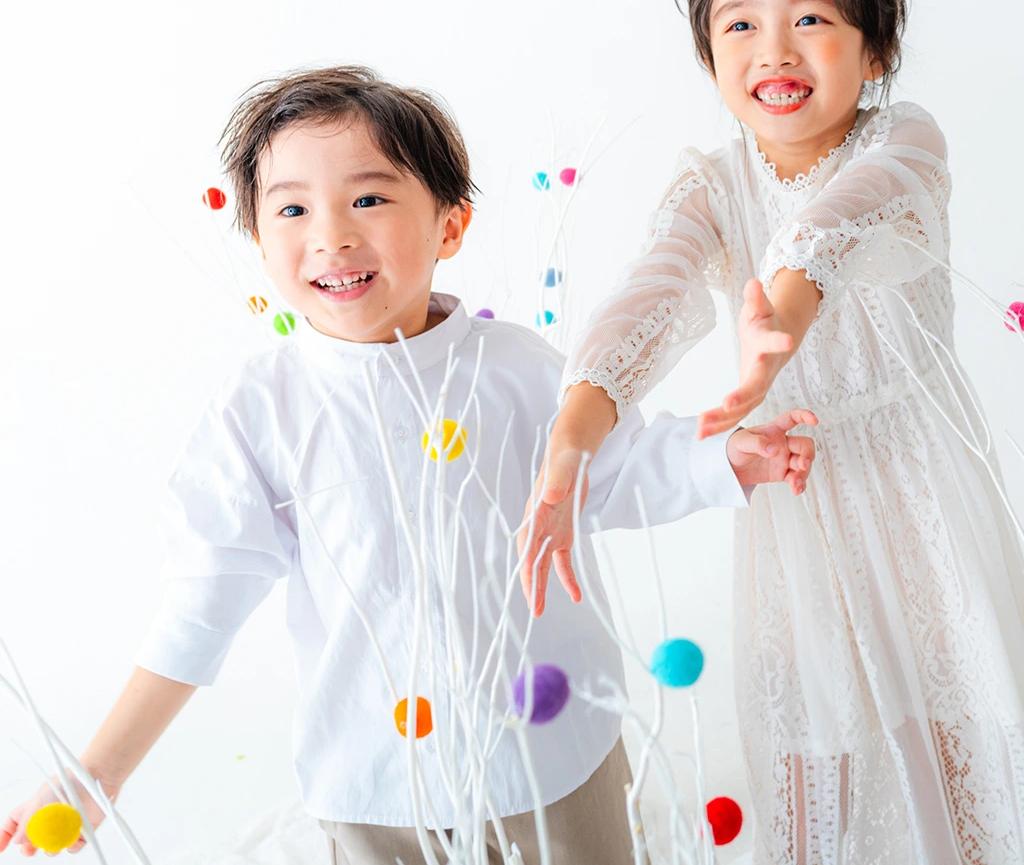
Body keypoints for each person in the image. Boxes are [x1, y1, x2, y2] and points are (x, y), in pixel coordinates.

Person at [0, 66, 818, 864]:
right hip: (375, 781)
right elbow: (200, 607)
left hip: (553, 752)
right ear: (258, 240)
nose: (331, 235)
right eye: (292, 208)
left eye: (368, 199)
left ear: (450, 227)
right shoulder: (260, 411)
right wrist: (95, 773)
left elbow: (616, 468)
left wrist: (723, 457)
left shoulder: (516, 368)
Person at [519, 0, 1024, 863]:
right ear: (709, 57)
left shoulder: (905, 142)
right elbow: (650, 292)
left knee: (958, 705)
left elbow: (834, 228)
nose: (773, 49)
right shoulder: (709, 183)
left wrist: (776, 324)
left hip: (919, 484)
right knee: (816, 731)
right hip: (796, 490)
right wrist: (571, 443)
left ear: (876, 48)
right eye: (740, 25)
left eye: (811, 18)